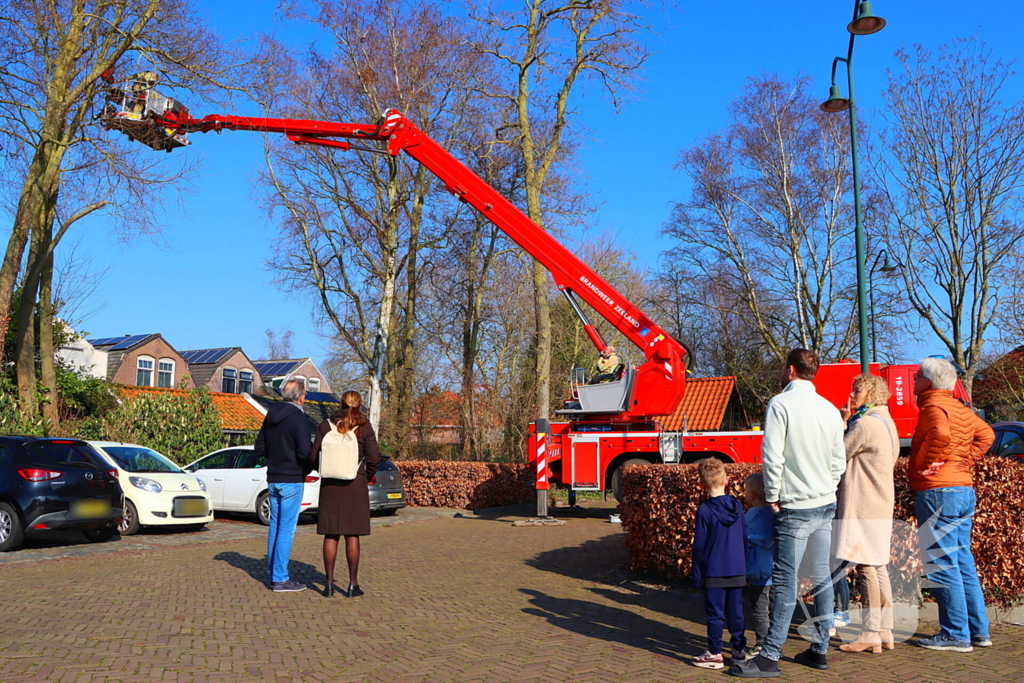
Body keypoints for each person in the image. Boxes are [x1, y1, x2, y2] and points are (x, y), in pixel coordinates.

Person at [731, 348, 846, 678]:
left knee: (784, 582)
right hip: (825, 502)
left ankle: (769, 657)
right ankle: (819, 649)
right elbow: (839, 460)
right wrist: (827, 485)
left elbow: (773, 456)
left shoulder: (781, 404)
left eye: (783, 366)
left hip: (795, 505)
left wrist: (774, 495)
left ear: (792, 370)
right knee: (823, 576)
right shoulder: (828, 409)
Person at [910, 357, 994, 653]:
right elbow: (987, 434)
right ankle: (978, 631)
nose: (913, 381)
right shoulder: (960, 406)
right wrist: (962, 462)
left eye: (917, 376)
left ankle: (956, 635)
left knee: (943, 565)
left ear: (930, 382)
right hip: (962, 489)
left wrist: (922, 465)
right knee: (962, 562)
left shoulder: (933, 406)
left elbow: (941, 434)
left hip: (937, 492)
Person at [833, 374, 900, 654]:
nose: (852, 394)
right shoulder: (886, 421)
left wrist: (842, 424)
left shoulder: (865, 423)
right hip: (880, 502)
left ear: (871, 393)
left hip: (864, 503)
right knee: (879, 566)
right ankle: (885, 629)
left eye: (857, 389)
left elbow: (837, 454)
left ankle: (870, 632)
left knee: (867, 567)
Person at [309, 390, 381, 598]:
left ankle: (329, 584)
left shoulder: (325, 425)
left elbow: (313, 455)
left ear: (340, 403)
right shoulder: (364, 427)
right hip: (355, 483)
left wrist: (323, 470)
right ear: (360, 405)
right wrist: (364, 475)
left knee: (330, 534)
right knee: (352, 534)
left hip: (330, 485)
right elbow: (374, 457)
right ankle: (352, 584)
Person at [254, 378, 312, 592]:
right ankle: (280, 578)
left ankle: (275, 573)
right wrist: (305, 468)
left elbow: (259, 447)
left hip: (274, 478)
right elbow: (306, 451)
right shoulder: (299, 418)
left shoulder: (270, 416)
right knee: (286, 530)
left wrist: (275, 458)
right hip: (291, 479)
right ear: (301, 397)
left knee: (275, 528)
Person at [691, 458, 748, 670]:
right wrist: (745, 565)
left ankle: (715, 653)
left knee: (715, 614)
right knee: (736, 611)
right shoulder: (737, 506)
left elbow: (699, 545)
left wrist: (696, 574)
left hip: (713, 570)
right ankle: (738, 650)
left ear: (701, 485)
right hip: (736, 568)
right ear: (727, 480)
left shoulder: (704, 510)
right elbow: (745, 537)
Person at [743, 473, 775, 658]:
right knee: (773, 607)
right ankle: (774, 640)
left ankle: (762, 644)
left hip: (758, 571)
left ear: (752, 495)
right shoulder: (773, 513)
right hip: (774, 570)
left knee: (759, 609)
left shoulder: (751, 515)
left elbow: (744, 538)